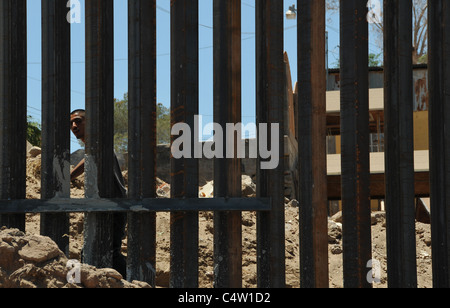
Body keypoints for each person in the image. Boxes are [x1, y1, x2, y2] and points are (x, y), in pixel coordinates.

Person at [70, 109, 127, 277]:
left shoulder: (99, 143)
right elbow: (88, 157)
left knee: (110, 251)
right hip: (104, 205)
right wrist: (71, 175)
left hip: (114, 205)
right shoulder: (94, 146)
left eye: (78, 121)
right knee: (95, 249)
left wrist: (70, 175)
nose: (74, 126)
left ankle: (131, 281)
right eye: (71, 123)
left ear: (91, 122)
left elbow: (89, 157)